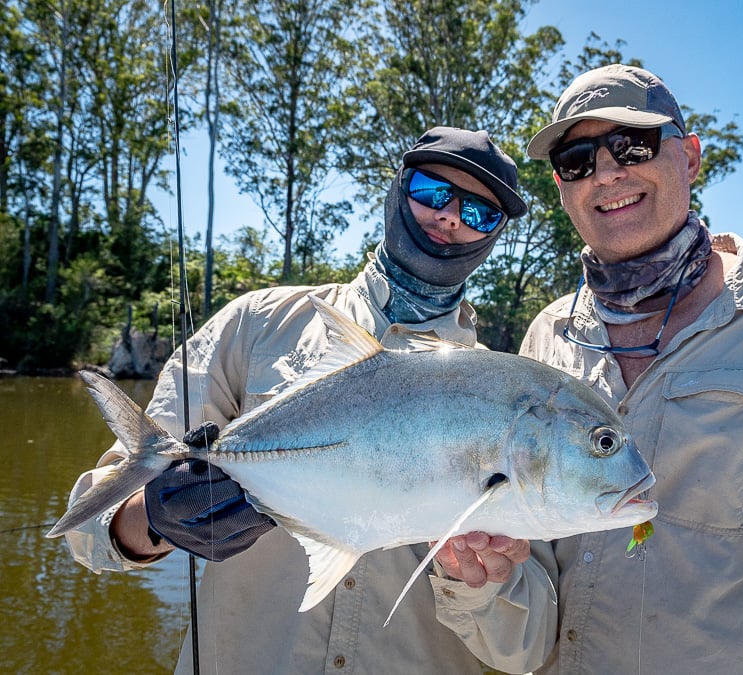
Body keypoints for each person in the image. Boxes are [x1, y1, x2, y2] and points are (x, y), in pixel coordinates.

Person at [433, 65, 743, 673]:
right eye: (577, 159)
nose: (607, 172)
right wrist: (482, 583)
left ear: (690, 157)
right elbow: (529, 627)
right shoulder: (547, 337)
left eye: (632, 145)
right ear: (562, 187)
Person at [62, 126, 545, 673]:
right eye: (433, 192)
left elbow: (525, 651)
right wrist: (152, 518)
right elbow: (88, 534)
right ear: (397, 188)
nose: (452, 217)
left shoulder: (515, 407)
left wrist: (482, 584)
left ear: (495, 236)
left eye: (480, 213)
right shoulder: (257, 325)